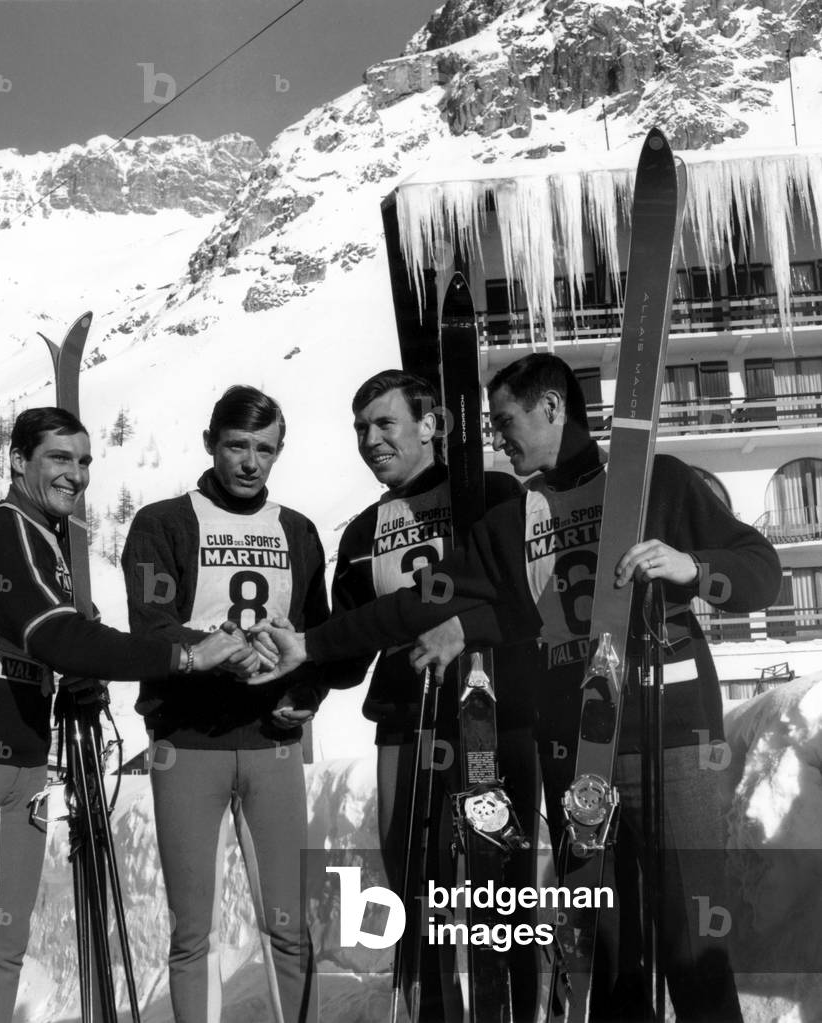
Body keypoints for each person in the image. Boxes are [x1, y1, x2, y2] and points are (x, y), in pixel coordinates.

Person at [249, 354, 782, 1022]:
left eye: (506, 421)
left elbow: (763, 574)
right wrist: (317, 643)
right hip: (577, 750)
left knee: (692, 939)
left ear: (553, 406)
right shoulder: (510, 522)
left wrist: (692, 566)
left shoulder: (656, 484)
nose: (497, 439)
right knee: (606, 948)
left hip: (673, 737)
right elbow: (421, 600)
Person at [0, 407, 250, 1023]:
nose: (77, 474)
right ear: (17, 462)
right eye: (60, 458)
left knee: (5, 944)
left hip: (24, 746)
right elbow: (58, 636)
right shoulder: (6, 529)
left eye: (84, 461)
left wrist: (80, 668)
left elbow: (63, 638)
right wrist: (184, 656)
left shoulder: (46, 537)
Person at [331, 368, 538, 1021]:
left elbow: (531, 598)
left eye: (384, 423)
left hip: (490, 713)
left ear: (429, 424)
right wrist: (286, 670)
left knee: (497, 885)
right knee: (414, 882)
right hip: (404, 716)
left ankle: (512, 1007)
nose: (370, 440)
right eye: (361, 428)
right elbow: (346, 648)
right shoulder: (362, 533)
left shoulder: (490, 491)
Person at [121, 385, 329, 1023]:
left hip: (271, 743)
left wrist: (306, 695)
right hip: (188, 743)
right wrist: (217, 650)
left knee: (291, 925)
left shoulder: (297, 530)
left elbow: (318, 635)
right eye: (237, 445)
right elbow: (150, 626)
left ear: (279, 453)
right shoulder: (163, 522)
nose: (250, 462)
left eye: (265, 450)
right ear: (210, 443)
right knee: (193, 931)